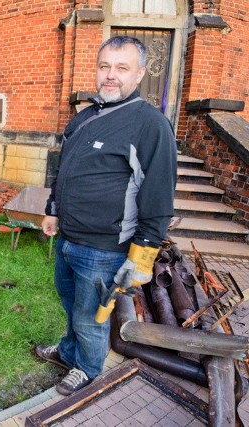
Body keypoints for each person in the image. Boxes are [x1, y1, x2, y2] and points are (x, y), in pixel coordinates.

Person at [35, 36, 177, 395]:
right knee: (70, 303)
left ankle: (88, 369)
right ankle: (69, 352)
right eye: (104, 66)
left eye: (121, 68)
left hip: (105, 247)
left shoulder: (150, 124)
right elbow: (63, 170)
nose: (110, 75)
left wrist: (142, 257)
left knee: (90, 314)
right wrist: (53, 210)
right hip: (69, 238)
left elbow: (158, 194)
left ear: (140, 73)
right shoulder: (86, 116)